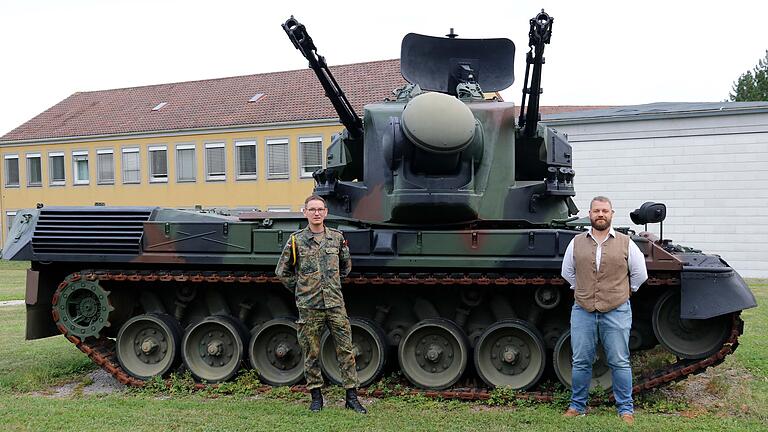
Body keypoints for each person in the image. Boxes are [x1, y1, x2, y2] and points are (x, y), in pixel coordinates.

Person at [275, 195, 367, 414]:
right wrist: (301, 289)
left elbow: (346, 267)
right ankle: (316, 397)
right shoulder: (296, 240)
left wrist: (330, 284)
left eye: (320, 209)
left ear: (326, 212)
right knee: (311, 352)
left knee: (346, 350)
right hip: (309, 306)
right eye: (312, 209)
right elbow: (282, 271)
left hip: (335, 304)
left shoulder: (336, 238)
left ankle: (351, 397)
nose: (316, 213)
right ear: (305, 212)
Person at [561, 196, 648, 426]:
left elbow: (640, 273)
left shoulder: (626, 242)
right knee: (580, 361)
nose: (601, 214)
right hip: (583, 309)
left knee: (619, 361)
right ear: (589, 214)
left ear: (612, 214)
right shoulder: (577, 242)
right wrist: (583, 290)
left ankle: (625, 409)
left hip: (617, 309)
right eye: (596, 211)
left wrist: (627, 292)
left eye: (605, 211)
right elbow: (567, 272)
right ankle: (577, 406)